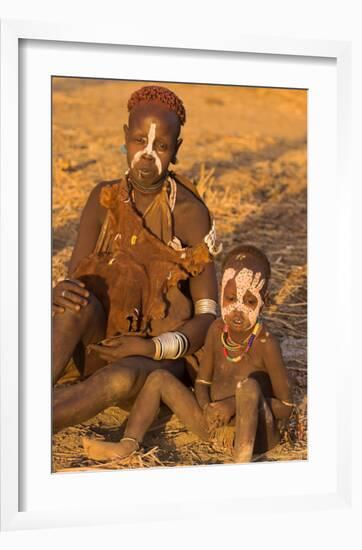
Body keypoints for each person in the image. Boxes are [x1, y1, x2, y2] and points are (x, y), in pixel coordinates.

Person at [52, 85, 221, 432]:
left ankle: (22, 427)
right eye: (139, 141)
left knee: (120, 379)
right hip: (103, 341)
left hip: (156, 358)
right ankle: (19, 399)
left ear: (176, 150)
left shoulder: (191, 215)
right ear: (125, 137)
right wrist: (59, 293)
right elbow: (77, 284)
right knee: (73, 306)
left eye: (160, 146)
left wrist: (150, 347)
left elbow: (208, 317)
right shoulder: (104, 198)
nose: (147, 154)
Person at [83, 245, 294, 463]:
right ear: (221, 292)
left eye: (250, 302)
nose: (238, 311)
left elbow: (286, 408)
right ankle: (127, 444)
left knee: (248, 387)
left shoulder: (265, 343)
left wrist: (231, 405)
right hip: (215, 429)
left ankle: (242, 462)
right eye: (231, 298)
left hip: (257, 436)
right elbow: (202, 382)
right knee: (159, 378)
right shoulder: (216, 330)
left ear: (264, 301)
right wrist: (207, 408)